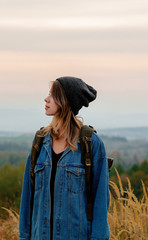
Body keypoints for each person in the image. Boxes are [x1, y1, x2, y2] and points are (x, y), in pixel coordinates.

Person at [19, 76, 110, 240]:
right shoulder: (40, 142)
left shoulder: (91, 144)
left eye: (52, 95)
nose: (46, 99)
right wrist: (24, 237)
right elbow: (27, 197)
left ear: (65, 101)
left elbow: (101, 201)